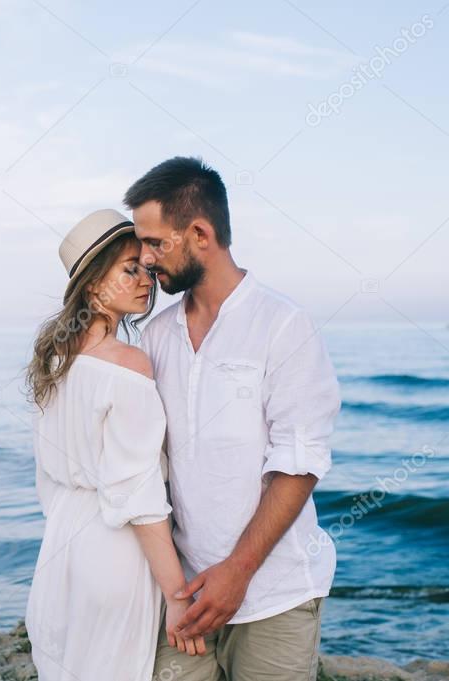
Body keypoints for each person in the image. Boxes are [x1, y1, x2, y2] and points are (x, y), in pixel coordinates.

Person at [127, 157, 342, 681]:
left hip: (275, 594)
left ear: (199, 233)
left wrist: (238, 572)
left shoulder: (282, 324)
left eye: (156, 242)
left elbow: (299, 461)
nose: (146, 258)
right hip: (187, 594)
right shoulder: (155, 336)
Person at [23, 208, 205, 681]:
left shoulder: (55, 363)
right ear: (92, 285)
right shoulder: (129, 365)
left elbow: (47, 478)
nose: (146, 279)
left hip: (60, 547)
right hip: (115, 553)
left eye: (146, 267)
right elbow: (137, 495)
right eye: (130, 269)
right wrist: (175, 594)